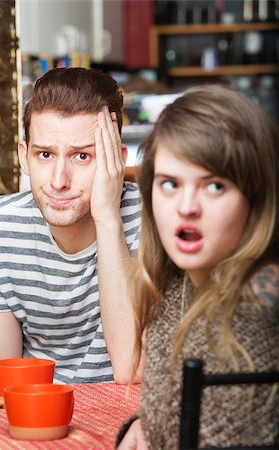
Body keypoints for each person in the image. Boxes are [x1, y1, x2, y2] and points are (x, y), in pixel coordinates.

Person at [0, 67, 142, 397]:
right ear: (24, 156)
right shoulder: (1, 223)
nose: (59, 180)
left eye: (82, 156)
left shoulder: (152, 217)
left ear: (116, 162)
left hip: (125, 414)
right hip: (35, 414)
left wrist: (107, 218)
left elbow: (131, 368)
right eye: (45, 154)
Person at [116, 85, 279, 449]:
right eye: (170, 184)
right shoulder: (168, 281)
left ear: (255, 198)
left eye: (215, 186)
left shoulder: (264, 300)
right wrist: (143, 425)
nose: (187, 206)